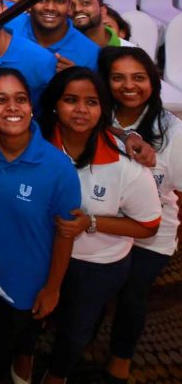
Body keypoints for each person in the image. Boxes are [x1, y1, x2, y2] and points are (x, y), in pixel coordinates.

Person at [39, 67, 161, 384]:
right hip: (42, 253)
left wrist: (91, 222)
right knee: (36, 314)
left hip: (96, 264)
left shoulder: (126, 163)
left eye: (91, 102)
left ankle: (57, 375)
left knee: (76, 329)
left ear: (102, 108)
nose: (81, 110)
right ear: (55, 105)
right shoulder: (36, 145)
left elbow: (148, 226)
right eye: (70, 100)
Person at [0, 68, 81, 384]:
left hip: (24, 282)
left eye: (20, 99)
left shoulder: (58, 168)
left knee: (3, 350)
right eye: (1, 100)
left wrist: (52, 288)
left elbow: (65, 235)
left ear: (31, 107)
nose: (12, 107)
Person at [98, 47, 182, 383]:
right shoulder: (98, 116)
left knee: (132, 294)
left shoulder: (172, 130)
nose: (128, 86)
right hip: (103, 224)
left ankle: (121, 357)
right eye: (118, 78)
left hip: (152, 232)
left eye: (138, 78)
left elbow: (180, 192)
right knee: (92, 288)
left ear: (153, 81)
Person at [10, 0, 101, 72]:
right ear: (29, 2)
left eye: (60, 1)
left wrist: (75, 77)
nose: (50, 8)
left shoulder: (91, 54)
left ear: (70, 6)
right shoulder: (9, 23)